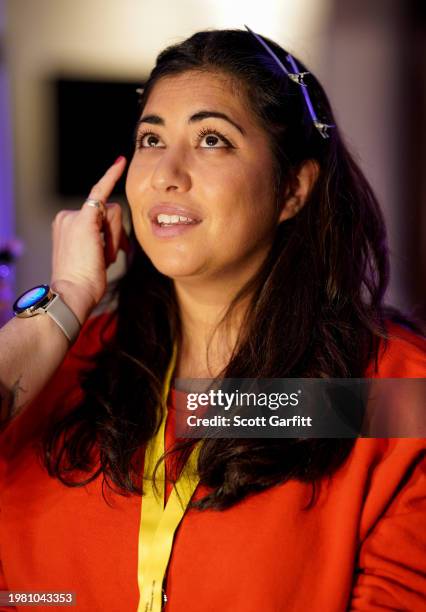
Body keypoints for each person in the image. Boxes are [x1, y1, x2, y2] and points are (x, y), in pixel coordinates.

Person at [0, 27, 425, 612]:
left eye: (211, 140)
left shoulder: (388, 393)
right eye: (151, 139)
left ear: (293, 189)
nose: (166, 173)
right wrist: (66, 300)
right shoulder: (57, 364)